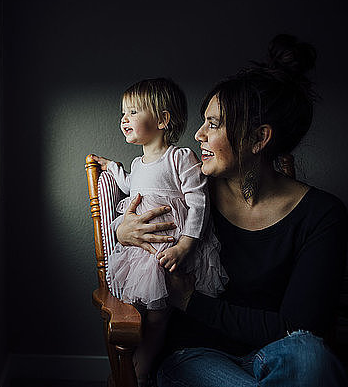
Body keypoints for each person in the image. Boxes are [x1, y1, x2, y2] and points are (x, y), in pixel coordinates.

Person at [115, 35, 348, 386]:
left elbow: (299, 326)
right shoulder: (187, 197)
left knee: (311, 357)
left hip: (282, 352)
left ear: (259, 139)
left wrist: (191, 300)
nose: (198, 135)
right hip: (195, 354)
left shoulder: (322, 216)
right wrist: (123, 230)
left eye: (214, 124)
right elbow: (135, 222)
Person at [92, 78, 228, 386]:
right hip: (145, 255)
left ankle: (141, 370)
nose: (123, 119)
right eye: (122, 113)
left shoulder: (179, 157)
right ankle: (137, 367)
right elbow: (129, 185)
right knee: (138, 310)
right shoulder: (138, 163)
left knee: (157, 317)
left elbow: (199, 201)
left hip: (173, 247)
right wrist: (113, 168)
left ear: (163, 119)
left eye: (133, 112)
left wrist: (186, 244)